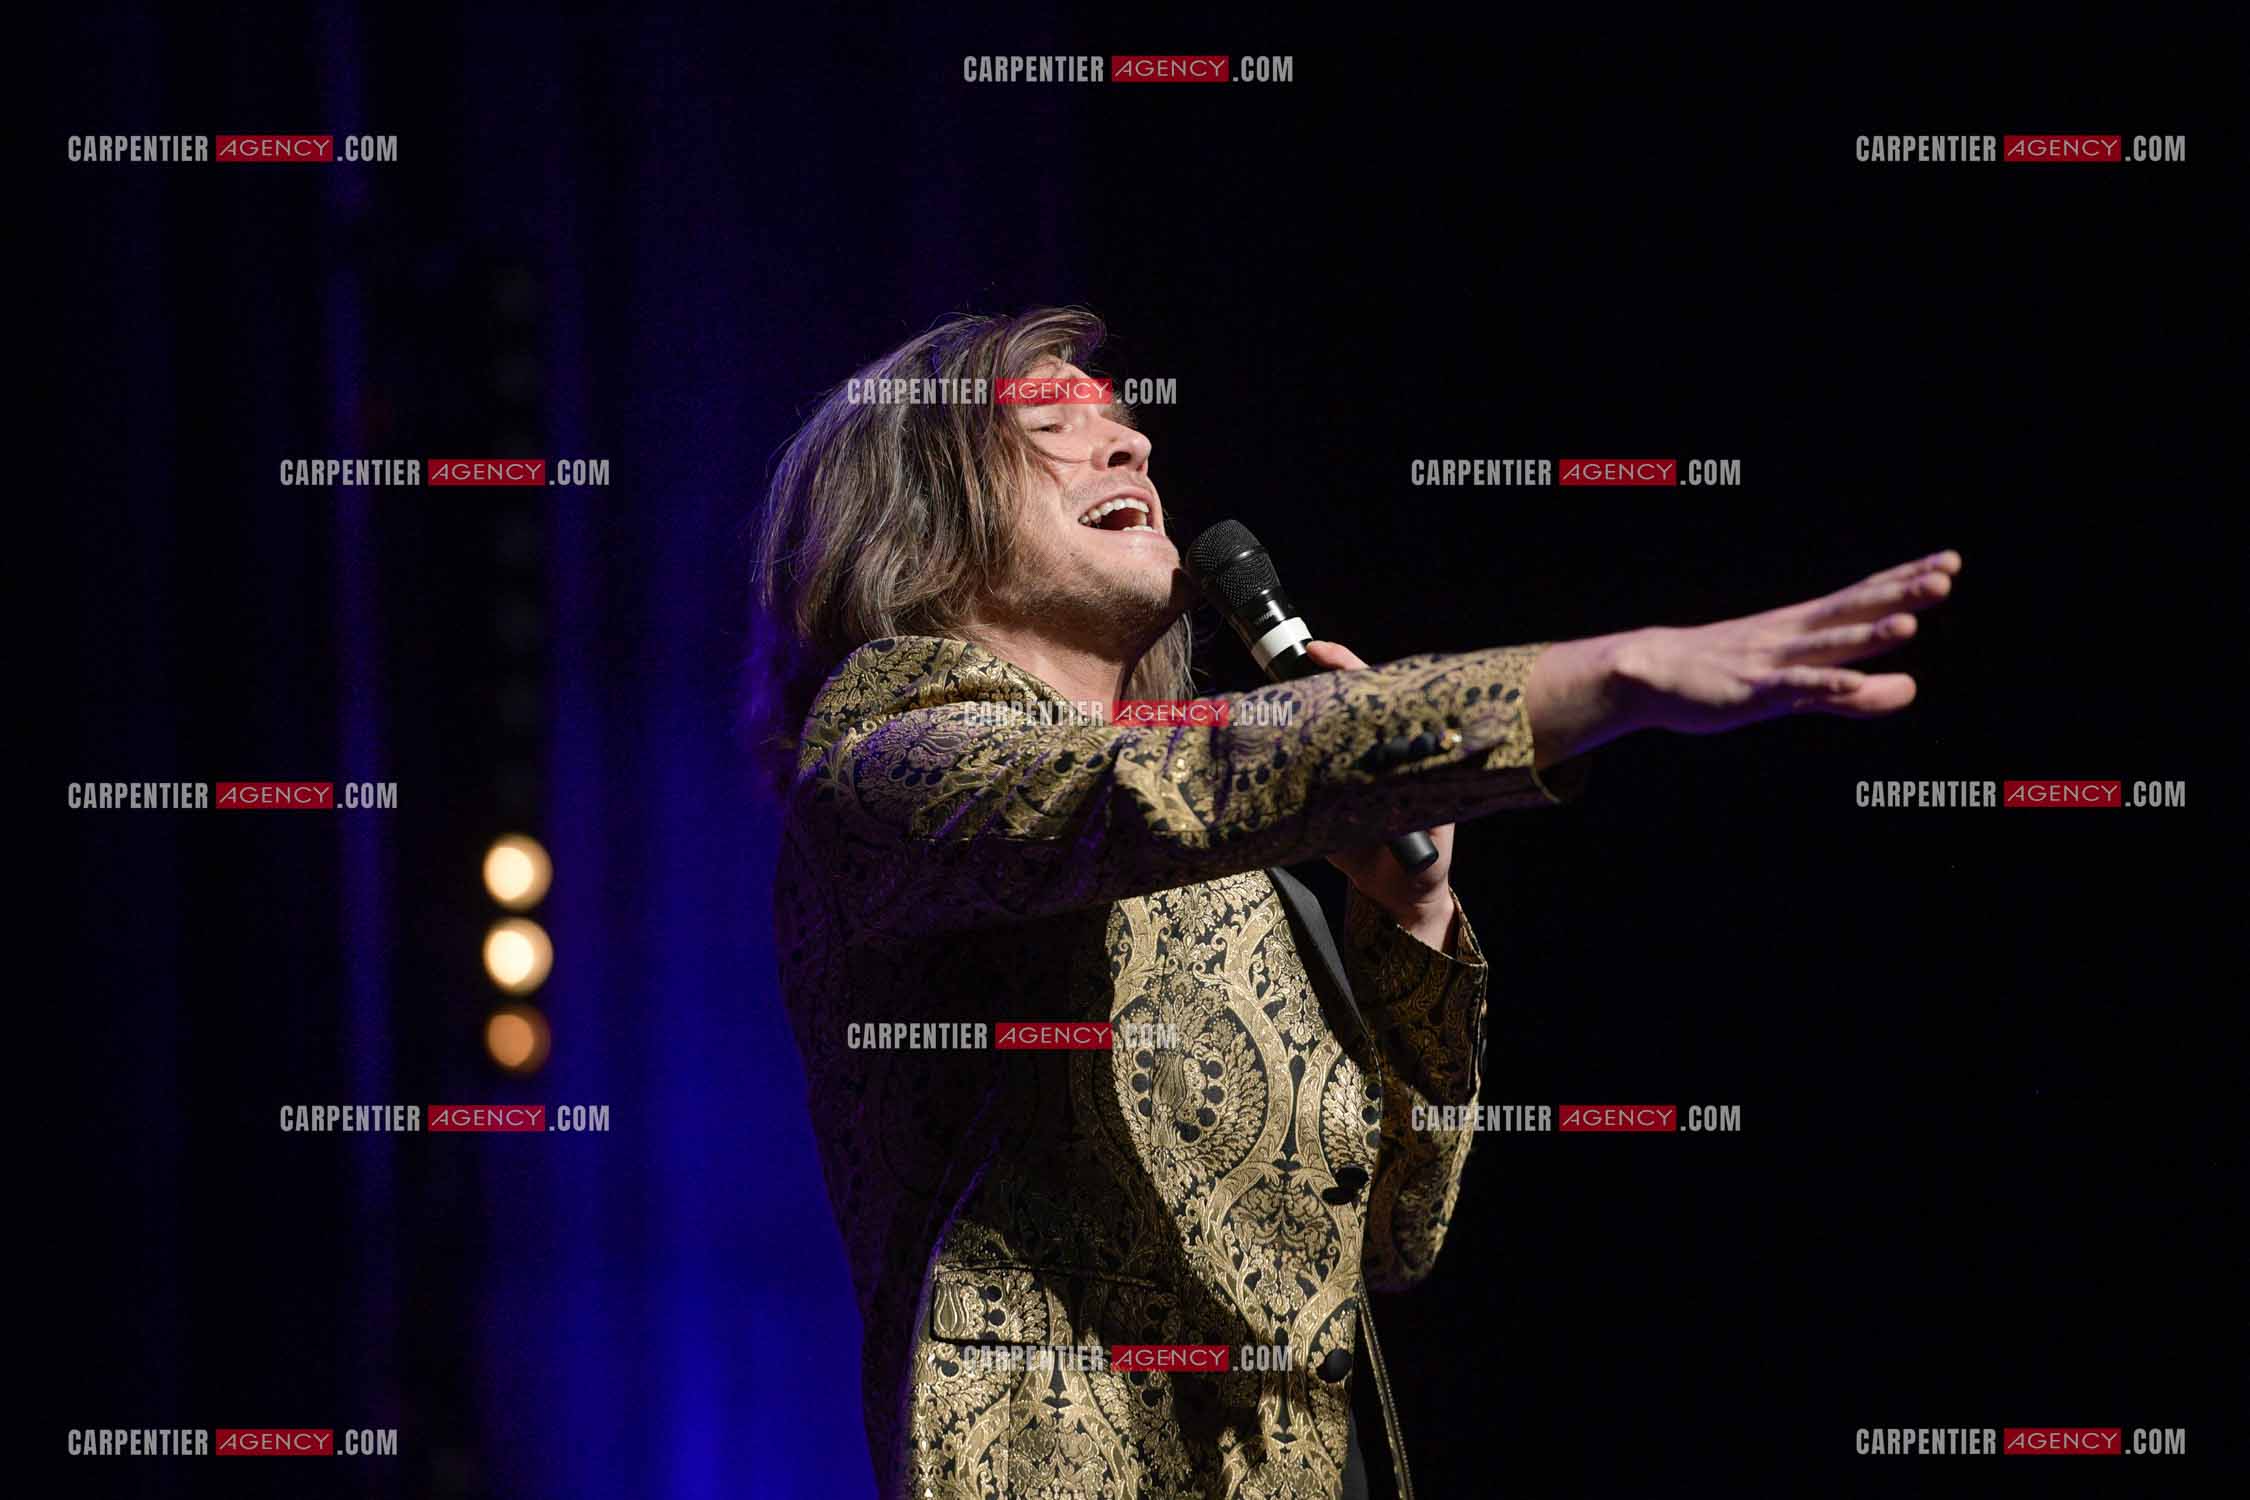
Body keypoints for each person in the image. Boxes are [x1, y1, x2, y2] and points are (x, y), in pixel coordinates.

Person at [751, 307, 1960, 1499]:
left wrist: (1411, 919)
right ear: (919, 509)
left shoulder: (1220, 854)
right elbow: (1139, 788)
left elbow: (1390, 1237)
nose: (1134, 446)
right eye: (1055, 421)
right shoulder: (887, 752)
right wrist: (1610, 674)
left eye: (1121, 421)